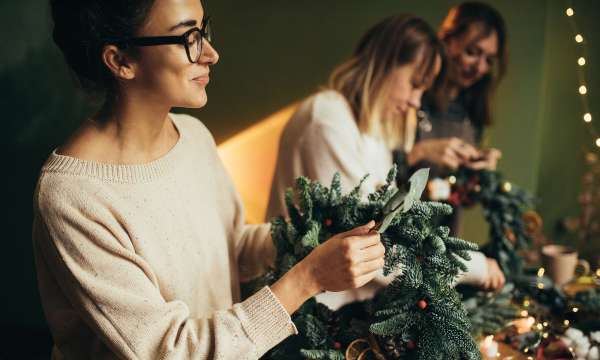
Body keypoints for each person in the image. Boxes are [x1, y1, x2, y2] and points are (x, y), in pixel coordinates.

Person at [33, 0, 386, 358]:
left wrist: (311, 237)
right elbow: (171, 350)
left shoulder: (194, 137)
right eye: (188, 37)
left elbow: (233, 247)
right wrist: (308, 278)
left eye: (204, 31)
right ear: (120, 61)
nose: (211, 54)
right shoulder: (73, 194)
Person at [266, 15, 505, 311]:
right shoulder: (327, 119)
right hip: (309, 311)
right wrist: (477, 268)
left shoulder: (374, 132)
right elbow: (370, 249)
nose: (417, 102)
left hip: (355, 306)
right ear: (384, 64)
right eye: (415, 85)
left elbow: (391, 225)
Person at [398, 2, 508, 234]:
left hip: (444, 242)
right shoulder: (410, 96)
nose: (480, 67)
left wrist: (478, 177)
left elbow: (462, 199)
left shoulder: (472, 113)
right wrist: (420, 152)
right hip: (396, 239)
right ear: (447, 40)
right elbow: (374, 176)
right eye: (473, 52)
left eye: (489, 59)